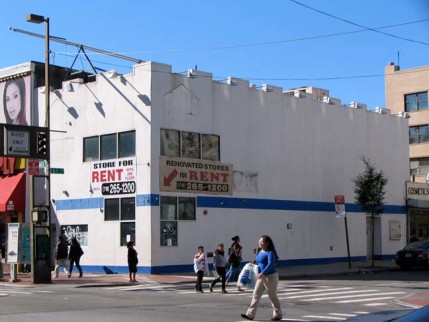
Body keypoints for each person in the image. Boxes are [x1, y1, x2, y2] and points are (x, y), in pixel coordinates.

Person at [241, 235, 283, 321]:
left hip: (270, 277)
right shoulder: (260, 252)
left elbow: (270, 264)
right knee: (255, 295)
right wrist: (252, 264)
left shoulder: (270, 252)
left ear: (267, 243)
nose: (259, 242)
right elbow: (257, 261)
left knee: (272, 296)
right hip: (261, 276)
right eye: (259, 241)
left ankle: (278, 314)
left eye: (262, 241)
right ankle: (250, 314)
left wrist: (263, 273)